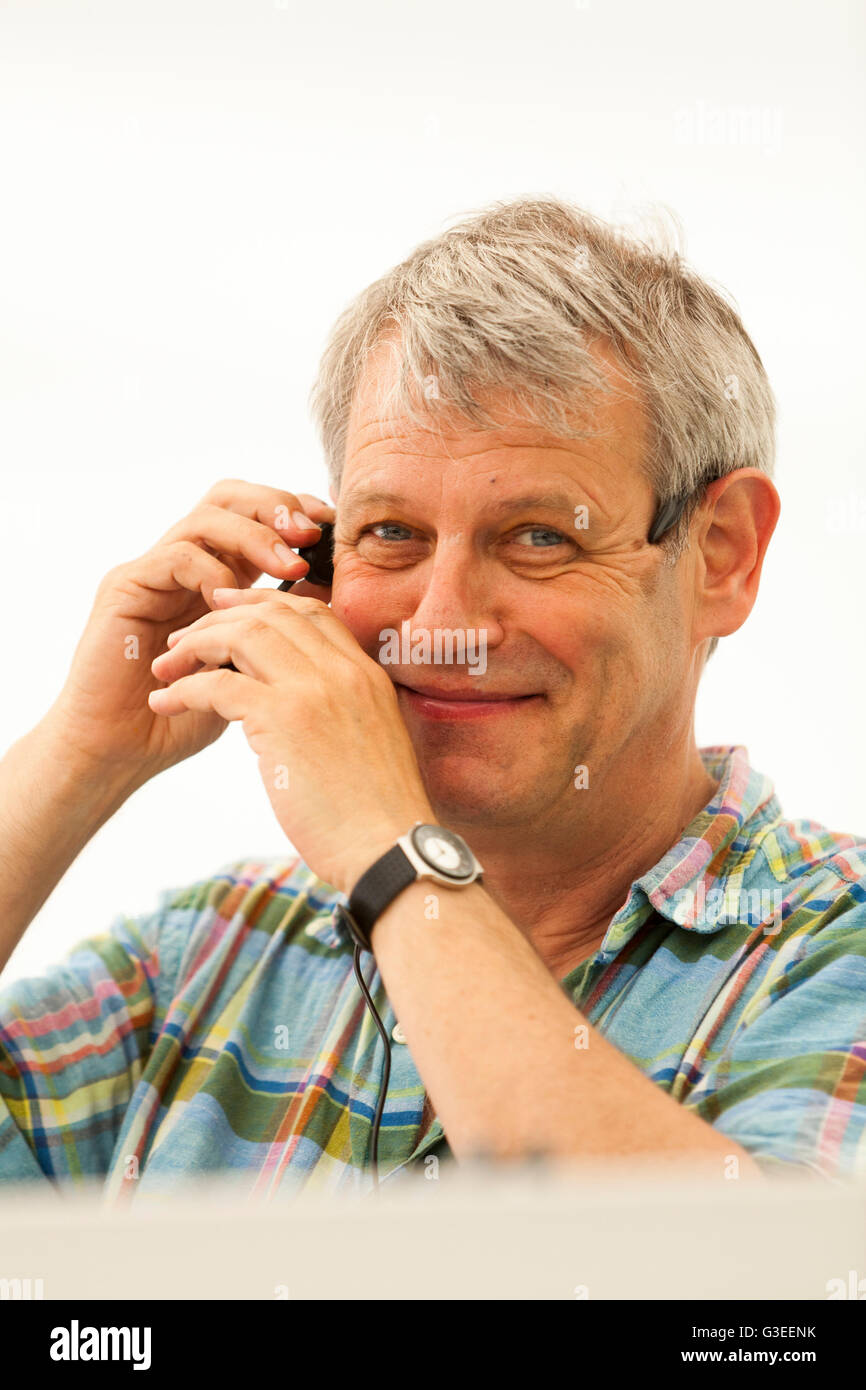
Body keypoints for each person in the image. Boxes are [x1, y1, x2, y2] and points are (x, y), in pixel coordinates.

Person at [1, 196, 863, 1202]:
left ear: (719, 556)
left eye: (539, 535)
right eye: (390, 533)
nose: (441, 619)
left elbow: (746, 1315)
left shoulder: (826, 949)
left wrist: (393, 858)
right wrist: (79, 753)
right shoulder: (213, 954)